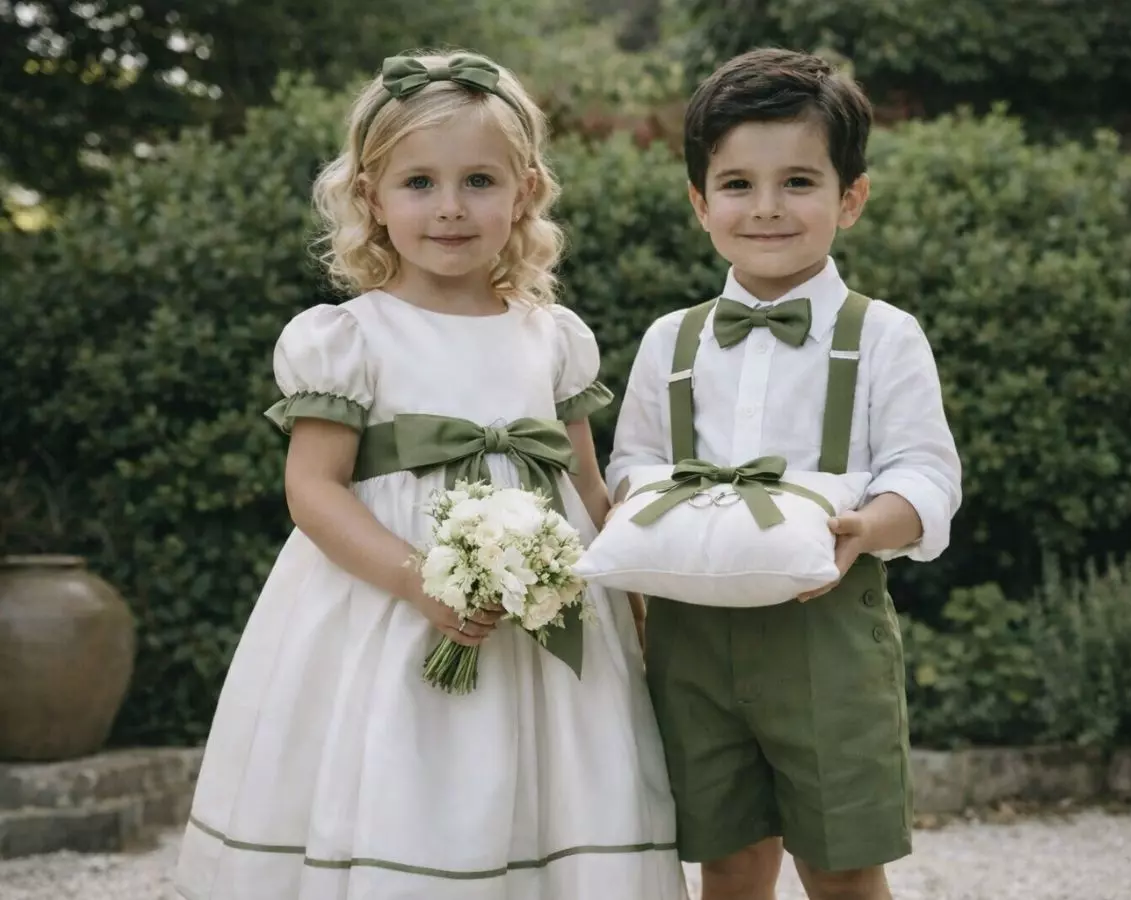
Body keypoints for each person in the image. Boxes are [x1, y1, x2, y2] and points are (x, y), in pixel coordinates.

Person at [174, 50, 685, 900]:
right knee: (408, 784)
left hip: (545, 627)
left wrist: (639, 604)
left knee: (559, 796)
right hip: (388, 610)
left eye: (479, 180)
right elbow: (315, 489)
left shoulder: (552, 337)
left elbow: (591, 494)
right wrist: (419, 584)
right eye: (418, 183)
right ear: (370, 197)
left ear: (524, 191)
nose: (450, 208)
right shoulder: (348, 339)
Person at [606, 48, 962, 900]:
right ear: (700, 203)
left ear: (851, 198)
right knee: (727, 862)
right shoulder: (671, 341)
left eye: (799, 182)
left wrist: (867, 529)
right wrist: (664, 516)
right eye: (736, 185)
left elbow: (927, 473)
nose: (766, 208)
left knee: (841, 868)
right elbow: (632, 464)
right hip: (692, 638)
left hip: (828, 633)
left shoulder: (884, 336)